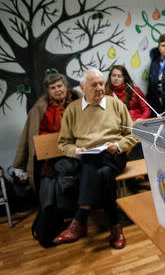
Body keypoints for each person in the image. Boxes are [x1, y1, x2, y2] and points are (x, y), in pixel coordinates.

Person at [54, 69, 137, 249]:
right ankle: (116, 227)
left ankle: (80, 219)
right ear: (83, 87)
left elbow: (133, 135)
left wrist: (119, 145)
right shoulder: (72, 110)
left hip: (114, 155)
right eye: (94, 85)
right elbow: (64, 143)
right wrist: (77, 150)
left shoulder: (116, 105)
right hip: (88, 159)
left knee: (98, 163)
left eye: (101, 83)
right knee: (103, 172)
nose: (100, 88)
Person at [13, 72, 81, 191]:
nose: (57, 90)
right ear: (48, 91)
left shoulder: (79, 103)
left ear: (65, 87)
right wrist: (19, 165)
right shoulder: (40, 109)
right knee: (48, 175)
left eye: (59, 86)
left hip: (77, 150)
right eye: (53, 88)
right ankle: (49, 208)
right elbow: (31, 135)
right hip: (52, 152)